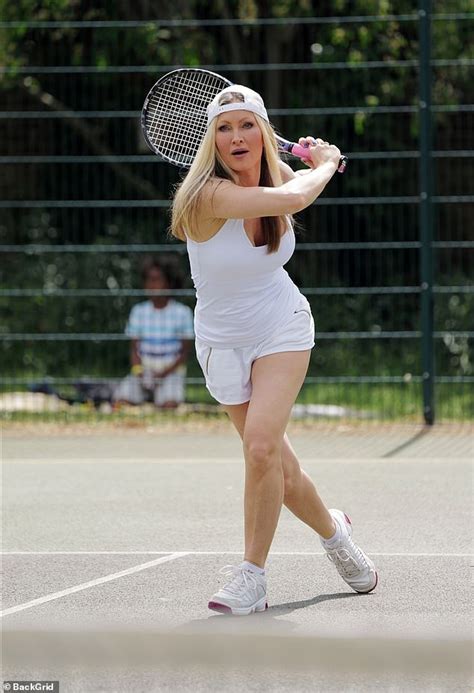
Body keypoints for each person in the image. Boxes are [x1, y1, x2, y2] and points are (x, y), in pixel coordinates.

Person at [171, 84, 377, 615]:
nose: (235, 136)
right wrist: (327, 161)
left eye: (246, 125)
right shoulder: (207, 196)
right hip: (221, 342)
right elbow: (294, 198)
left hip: (281, 324)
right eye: (223, 128)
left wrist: (311, 165)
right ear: (212, 142)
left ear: (263, 134)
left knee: (260, 448)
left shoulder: (277, 176)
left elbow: (295, 187)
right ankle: (336, 533)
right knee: (279, 473)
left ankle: (252, 578)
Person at [113, 256, 194, 409]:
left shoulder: (182, 313)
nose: (152, 285)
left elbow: (184, 354)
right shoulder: (138, 312)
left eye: (157, 280)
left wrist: (162, 374)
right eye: (149, 280)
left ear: (169, 284)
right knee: (120, 402)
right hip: (144, 373)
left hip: (170, 373)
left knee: (169, 405)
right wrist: (140, 372)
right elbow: (134, 349)